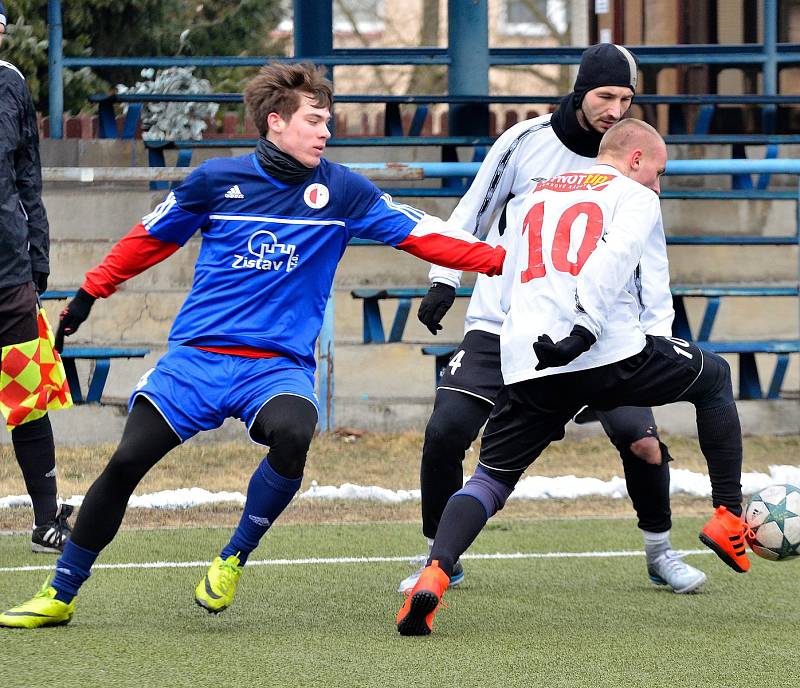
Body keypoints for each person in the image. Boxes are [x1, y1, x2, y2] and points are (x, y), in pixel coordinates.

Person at [0, 62, 507, 629]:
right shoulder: (215, 180)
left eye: (328, 121)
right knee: (125, 462)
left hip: (276, 368)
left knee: (293, 435)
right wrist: (91, 293)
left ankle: (232, 557)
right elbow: (147, 240)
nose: (326, 132)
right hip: (197, 359)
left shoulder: (343, 191)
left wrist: (510, 261)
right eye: (314, 120)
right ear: (275, 122)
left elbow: (428, 235)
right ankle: (60, 593)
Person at [396, 119, 752, 636]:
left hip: (528, 362)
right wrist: (584, 328)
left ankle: (436, 570)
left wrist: (449, 284)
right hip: (605, 350)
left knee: (490, 479)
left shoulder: (532, 195)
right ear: (634, 160)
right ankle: (727, 515)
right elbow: (611, 260)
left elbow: (506, 264)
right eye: (659, 169)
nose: (659, 182)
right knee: (715, 379)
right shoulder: (635, 197)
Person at [0, 1, 73, 554]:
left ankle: (46, 520)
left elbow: (29, 176)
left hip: (10, 275)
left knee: (27, 393)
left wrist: (38, 253)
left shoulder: (12, 86)